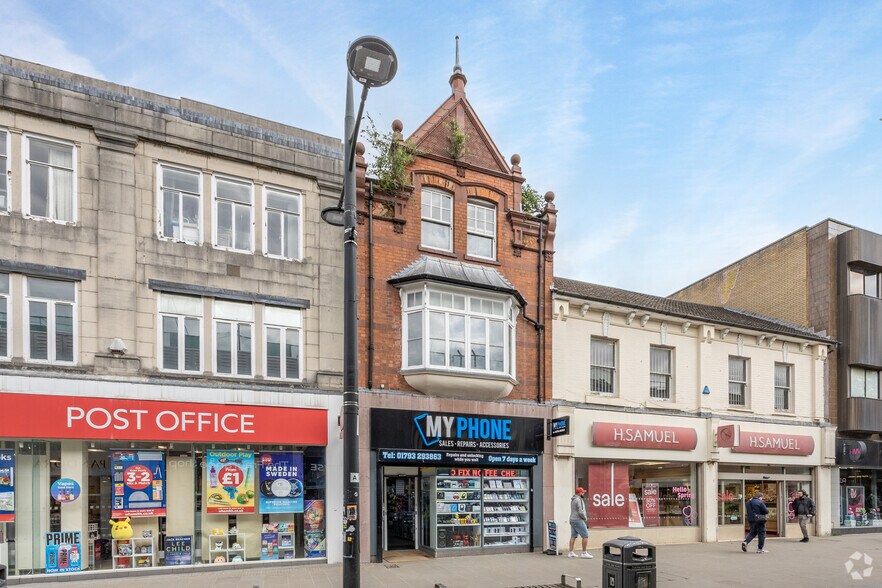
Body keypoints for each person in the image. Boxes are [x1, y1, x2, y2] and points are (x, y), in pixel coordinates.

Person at [568, 487, 593, 558]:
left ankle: (570, 552)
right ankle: (584, 553)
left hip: (572, 520)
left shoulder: (573, 500)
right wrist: (585, 518)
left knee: (573, 536)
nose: (583, 493)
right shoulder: (578, 500)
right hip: (578, 520)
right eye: (582, 492)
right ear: (579, 493)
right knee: (585, 535)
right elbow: (580, 511)